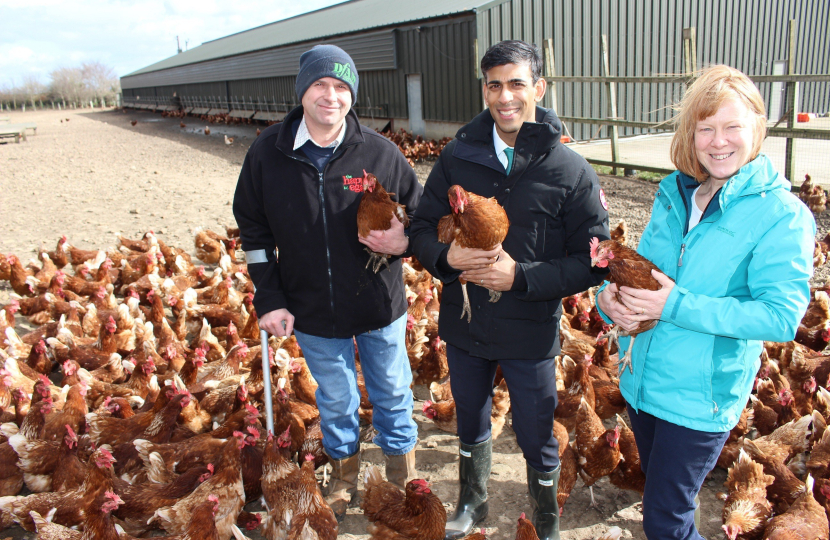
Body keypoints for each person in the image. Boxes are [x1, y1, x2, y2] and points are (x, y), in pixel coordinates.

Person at [595, 65, 815, 540]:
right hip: (641, 383)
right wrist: (608, 300)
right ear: (690, 135)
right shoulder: (674, 193)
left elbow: (781, 318)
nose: (719, 141)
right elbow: (641, 272)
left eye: (732, 126)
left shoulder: (782, 215)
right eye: (706, 128)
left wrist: (672, 305)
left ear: (757, 126)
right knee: (662, 504)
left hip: (700, 400)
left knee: (664, 521)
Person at [410, 40, 610, 540]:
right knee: (471, 422)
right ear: (484, 90)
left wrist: (521, 276)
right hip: (466, 323)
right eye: (495, 85)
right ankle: (472, 503)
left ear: (538, 88)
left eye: (517, 83)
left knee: (537, 432)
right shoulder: (457, 156)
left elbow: (593, 260)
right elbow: (417, 228)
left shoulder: (569, 170)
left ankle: (546, 517)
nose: (506, 96)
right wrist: (445, 259)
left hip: (530, 328)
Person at [233, 44, 422, 518]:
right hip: (311, 307)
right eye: (320, 84)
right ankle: (343, 477)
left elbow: (423, 214)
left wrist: (406, 241)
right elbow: (253, 231)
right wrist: (270, 298)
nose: (330, 96)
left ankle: (403, 477)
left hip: (379, 304)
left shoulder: (379, 153)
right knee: (336, 399)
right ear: (302, 91)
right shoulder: (267, 154)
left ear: (352, 95)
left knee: (393, 393)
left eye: (341, 87)